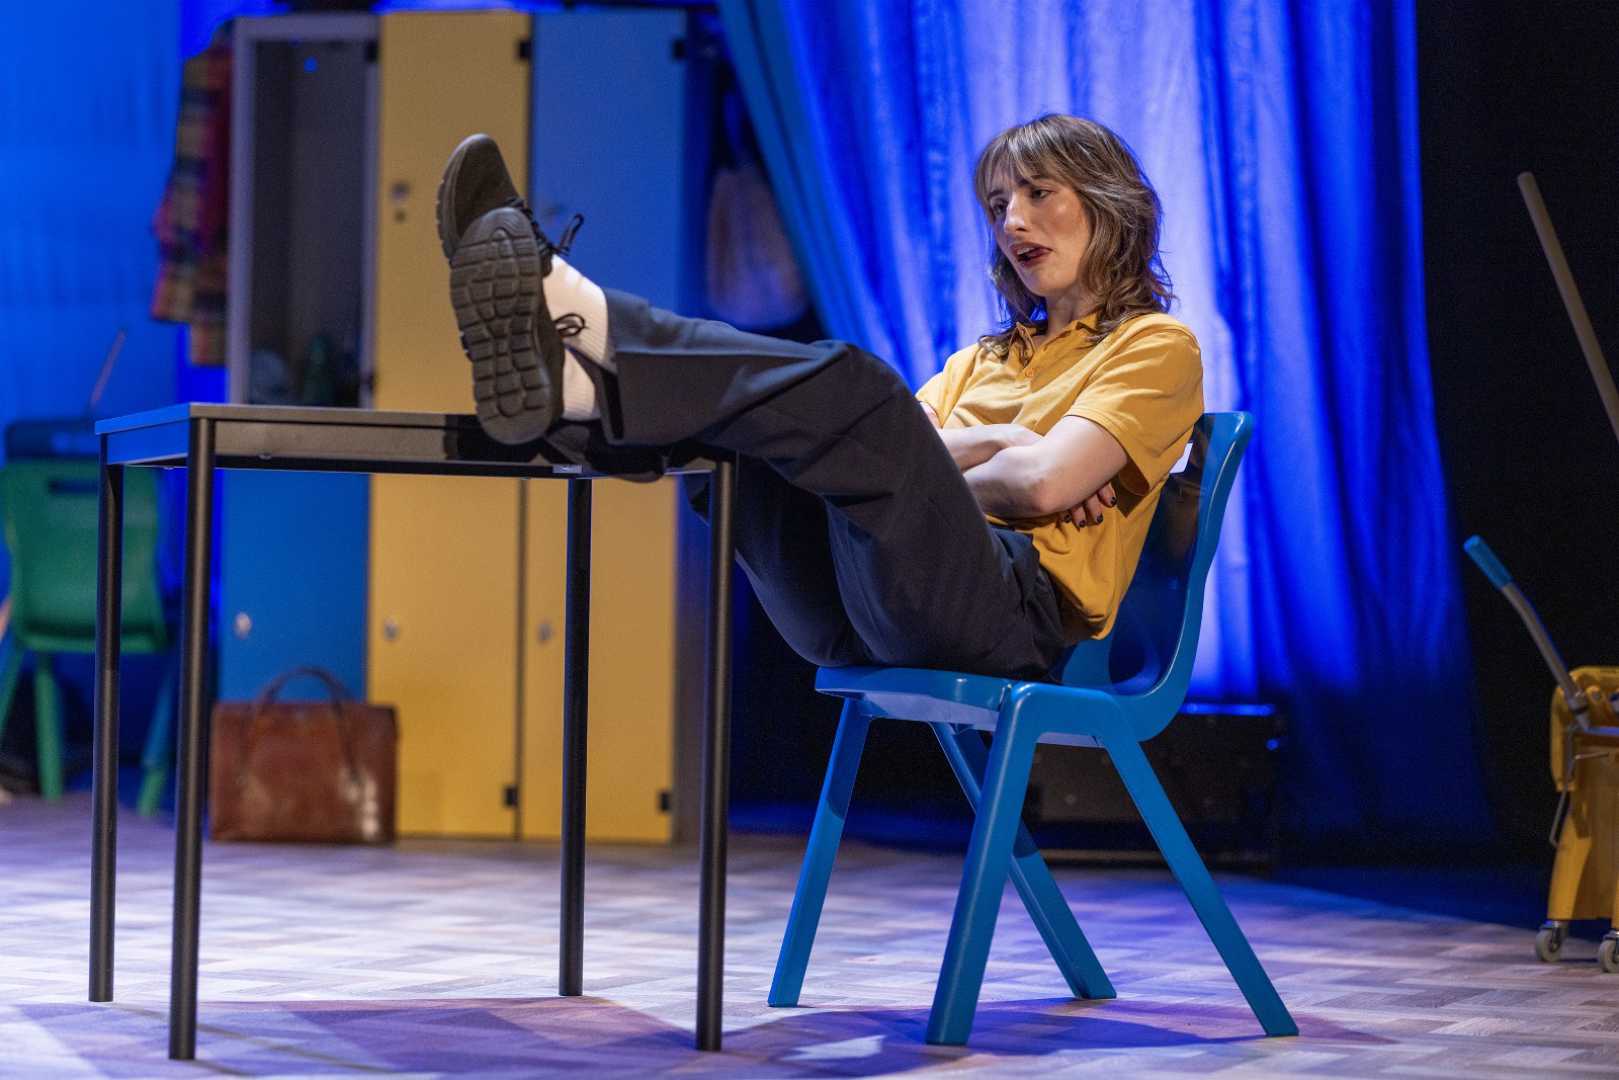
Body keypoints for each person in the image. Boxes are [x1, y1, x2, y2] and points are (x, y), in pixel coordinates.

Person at [435, 113, 1202, 682]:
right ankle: (575, 398)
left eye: (1037, 194)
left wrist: (921, 469)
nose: (1012, 222)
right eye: (998, 204)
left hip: (1002, 618)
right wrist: (992, 446)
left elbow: (1038, 483)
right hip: (854, 604)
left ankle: (590, 334)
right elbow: (904, 455)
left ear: (1108, 203)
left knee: (857, 395)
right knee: (768, 425)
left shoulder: (1154, 346)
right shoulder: (983, 358)